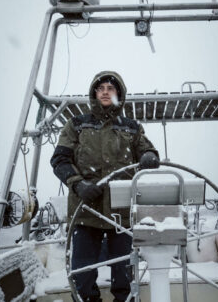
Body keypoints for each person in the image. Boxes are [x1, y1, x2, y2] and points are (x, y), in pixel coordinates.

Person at [50, 71, 159, 302]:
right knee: (82, 274)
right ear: (94, 94)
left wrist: (149, 156)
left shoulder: (132, 128)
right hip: (85, 212)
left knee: (125, 273)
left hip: (121, 216)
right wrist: (78, 184)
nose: (106, 91)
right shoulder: (76, 125)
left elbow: (148, 150)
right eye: (101, 88)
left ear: (119, 94)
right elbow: (59, 159)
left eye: (111, 88)